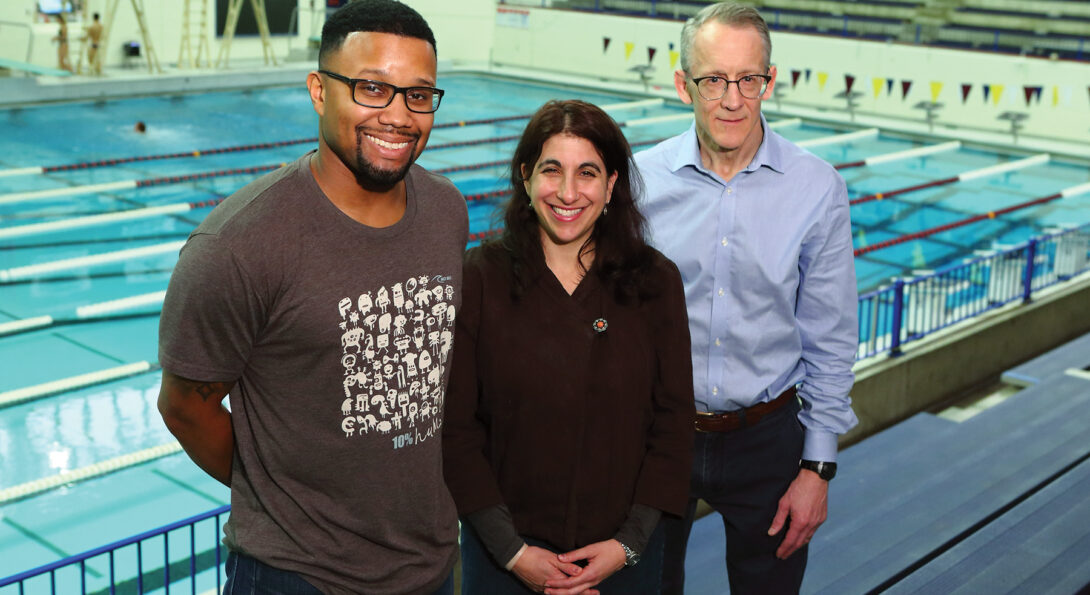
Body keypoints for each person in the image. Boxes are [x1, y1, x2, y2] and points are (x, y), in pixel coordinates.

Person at [156, 1, 466, 593]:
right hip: (297, 576)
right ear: (320, 91)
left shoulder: (446, 210)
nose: (399, 116)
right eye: (373, 88)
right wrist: (285, 504)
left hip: (430, 563)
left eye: (419, 95)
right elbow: (184, 408)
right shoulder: (238, 245)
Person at [634, 3, 859, 594]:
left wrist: (818, 467)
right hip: (658, 432)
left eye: (748, 79)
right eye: (713, 79)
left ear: (770, 81)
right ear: (684, 85)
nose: (732, 99)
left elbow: (830, 337)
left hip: (769, 438)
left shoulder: (817, 187)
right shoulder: (637, 182)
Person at [443, 99, 696, 595]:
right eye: (551, 170)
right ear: (525, 176)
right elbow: (455, 430)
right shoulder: (481, 277)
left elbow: (672, 427)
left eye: (587, 173)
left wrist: (628, 545)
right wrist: (513, 553)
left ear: (611, 185)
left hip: (623, 560)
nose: (566, 192)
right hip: (504, 560)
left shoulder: (654, 282)